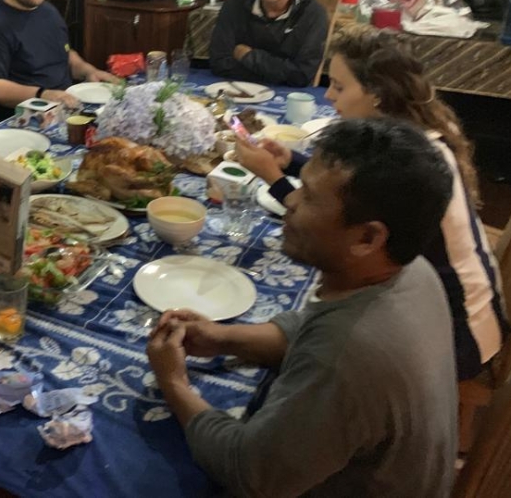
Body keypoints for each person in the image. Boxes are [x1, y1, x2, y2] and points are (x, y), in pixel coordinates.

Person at [147, 118, 458, 497]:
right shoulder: (412, 269)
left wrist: (174, 382)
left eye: (308, 196)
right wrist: (222, 336)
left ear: (367, 237)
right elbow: (310, 325)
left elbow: (249, 472)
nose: (290, 201)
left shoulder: (348, 355)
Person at [235, 24, 508, 381]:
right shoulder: (410, 139)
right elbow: (355, 191)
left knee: (323, 340)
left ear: (377, 94)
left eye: (339, 86)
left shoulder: (412, 161)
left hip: (458, 336)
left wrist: (272, 177)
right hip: (453, 307)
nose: (328, 96)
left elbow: (331, 226)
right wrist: (291, 161)